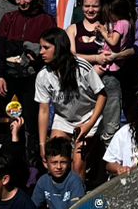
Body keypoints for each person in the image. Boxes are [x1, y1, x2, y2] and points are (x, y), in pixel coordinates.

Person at [0, 0, 57, 157]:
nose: (22, 2)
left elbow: (51, 51)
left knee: (31, 122)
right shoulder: (8, 18)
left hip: (33, 79)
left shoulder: (46, 20)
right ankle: (7, 156)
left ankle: (32, 159)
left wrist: (35, 56)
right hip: (9, 78)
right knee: (8, 120)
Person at [34, 29, 106, 176]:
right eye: (40, 47)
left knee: (77, 165)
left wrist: (89, 124)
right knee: (55, 158)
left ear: (59, 47)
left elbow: (102, 95)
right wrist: (42, 144)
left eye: (46, 47)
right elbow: (43, 110)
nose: (41, 52)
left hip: (88, 117)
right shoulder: (43, 75)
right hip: (63, 120)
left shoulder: (81, 66)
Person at [67, 0, 128, 145]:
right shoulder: (73, 29)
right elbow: (70, 55)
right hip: (82, 84)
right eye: (87, 6)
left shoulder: (111, 27)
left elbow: (120, 48)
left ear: (102, 7)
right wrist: (96, 58)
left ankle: (108, 159)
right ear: (81, 6)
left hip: (108, 82)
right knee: (81, 130)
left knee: (109, 130)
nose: (90, 10)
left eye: (95, 6)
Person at [32, 136, 85, 209]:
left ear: (69, 162)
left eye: (63, 162)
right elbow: (33, 207)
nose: (59, 167)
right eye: (54, 162)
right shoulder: (43, 181)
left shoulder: (74, 181)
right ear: (46, 163)